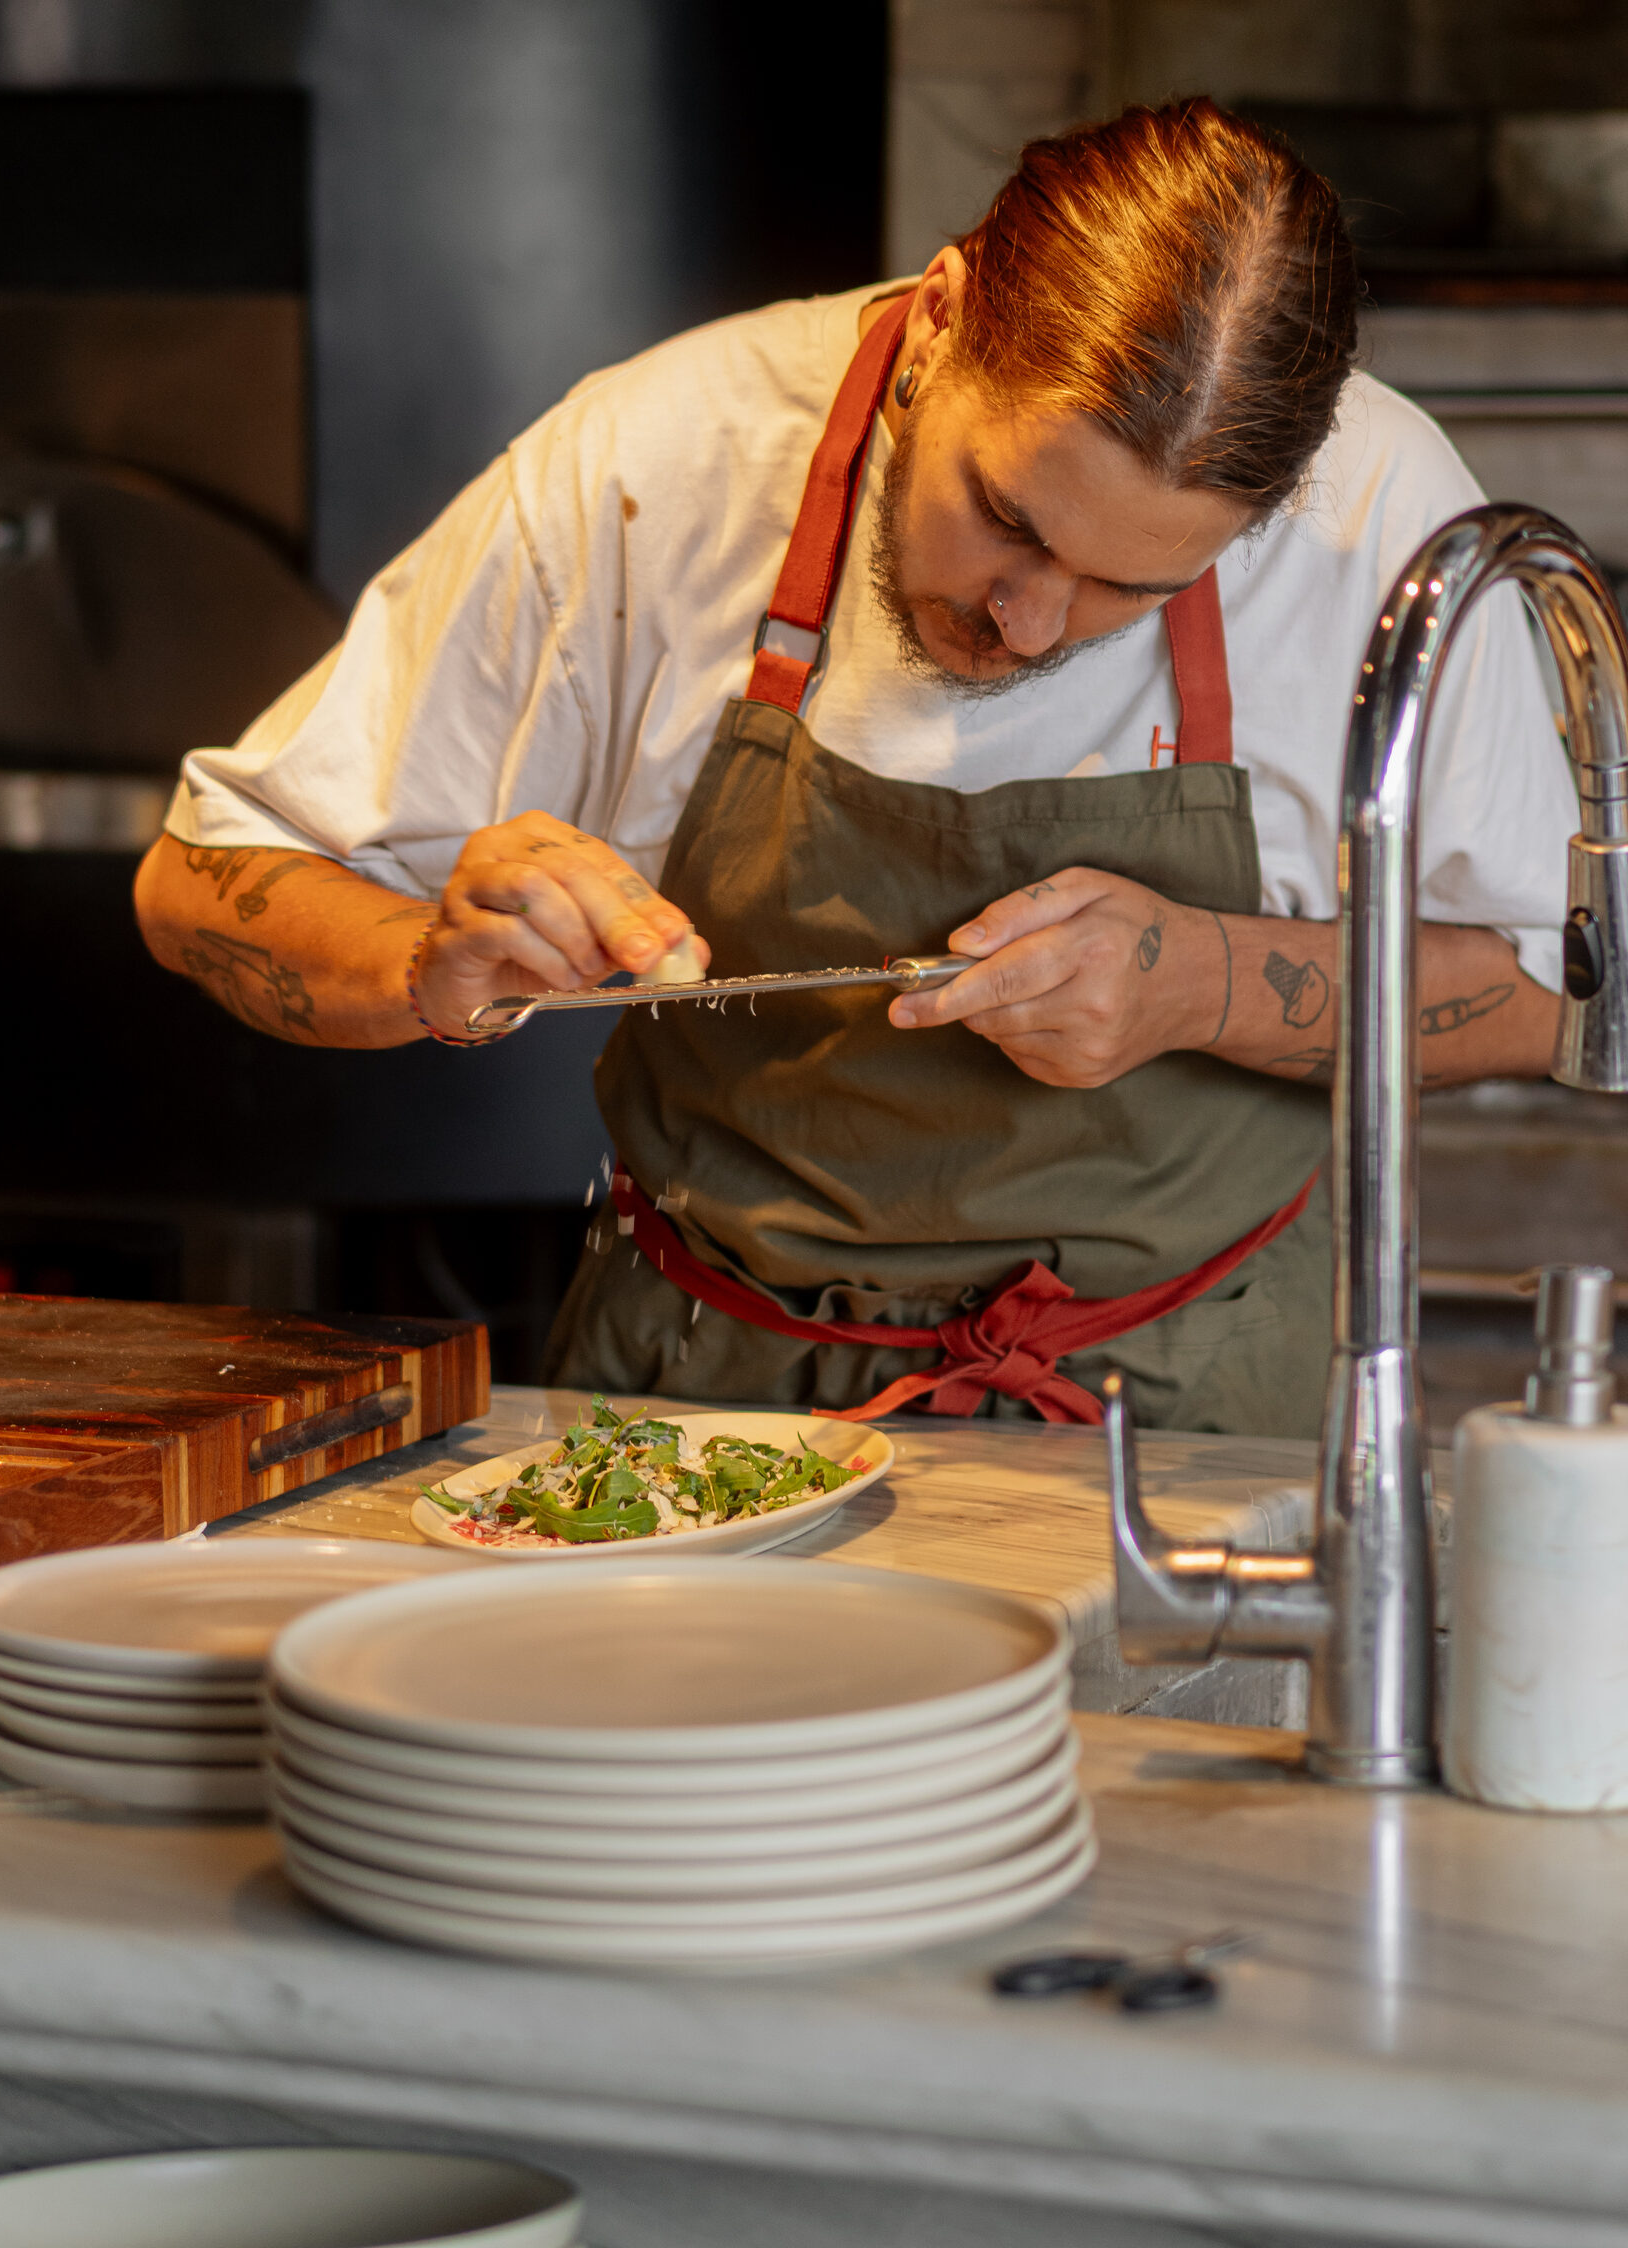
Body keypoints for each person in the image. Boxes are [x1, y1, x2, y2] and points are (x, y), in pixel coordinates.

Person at [135, 101, 1576, 1438]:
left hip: (1196, 1418)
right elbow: (201, 874)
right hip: (706, 1410)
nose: (1028, 623)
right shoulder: (658, 465)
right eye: (1005, 518)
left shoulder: (1382, 518)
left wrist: (1201, 982)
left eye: (1126, 589)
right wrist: (424, 963)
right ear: (938, 322)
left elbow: (1554, 991)